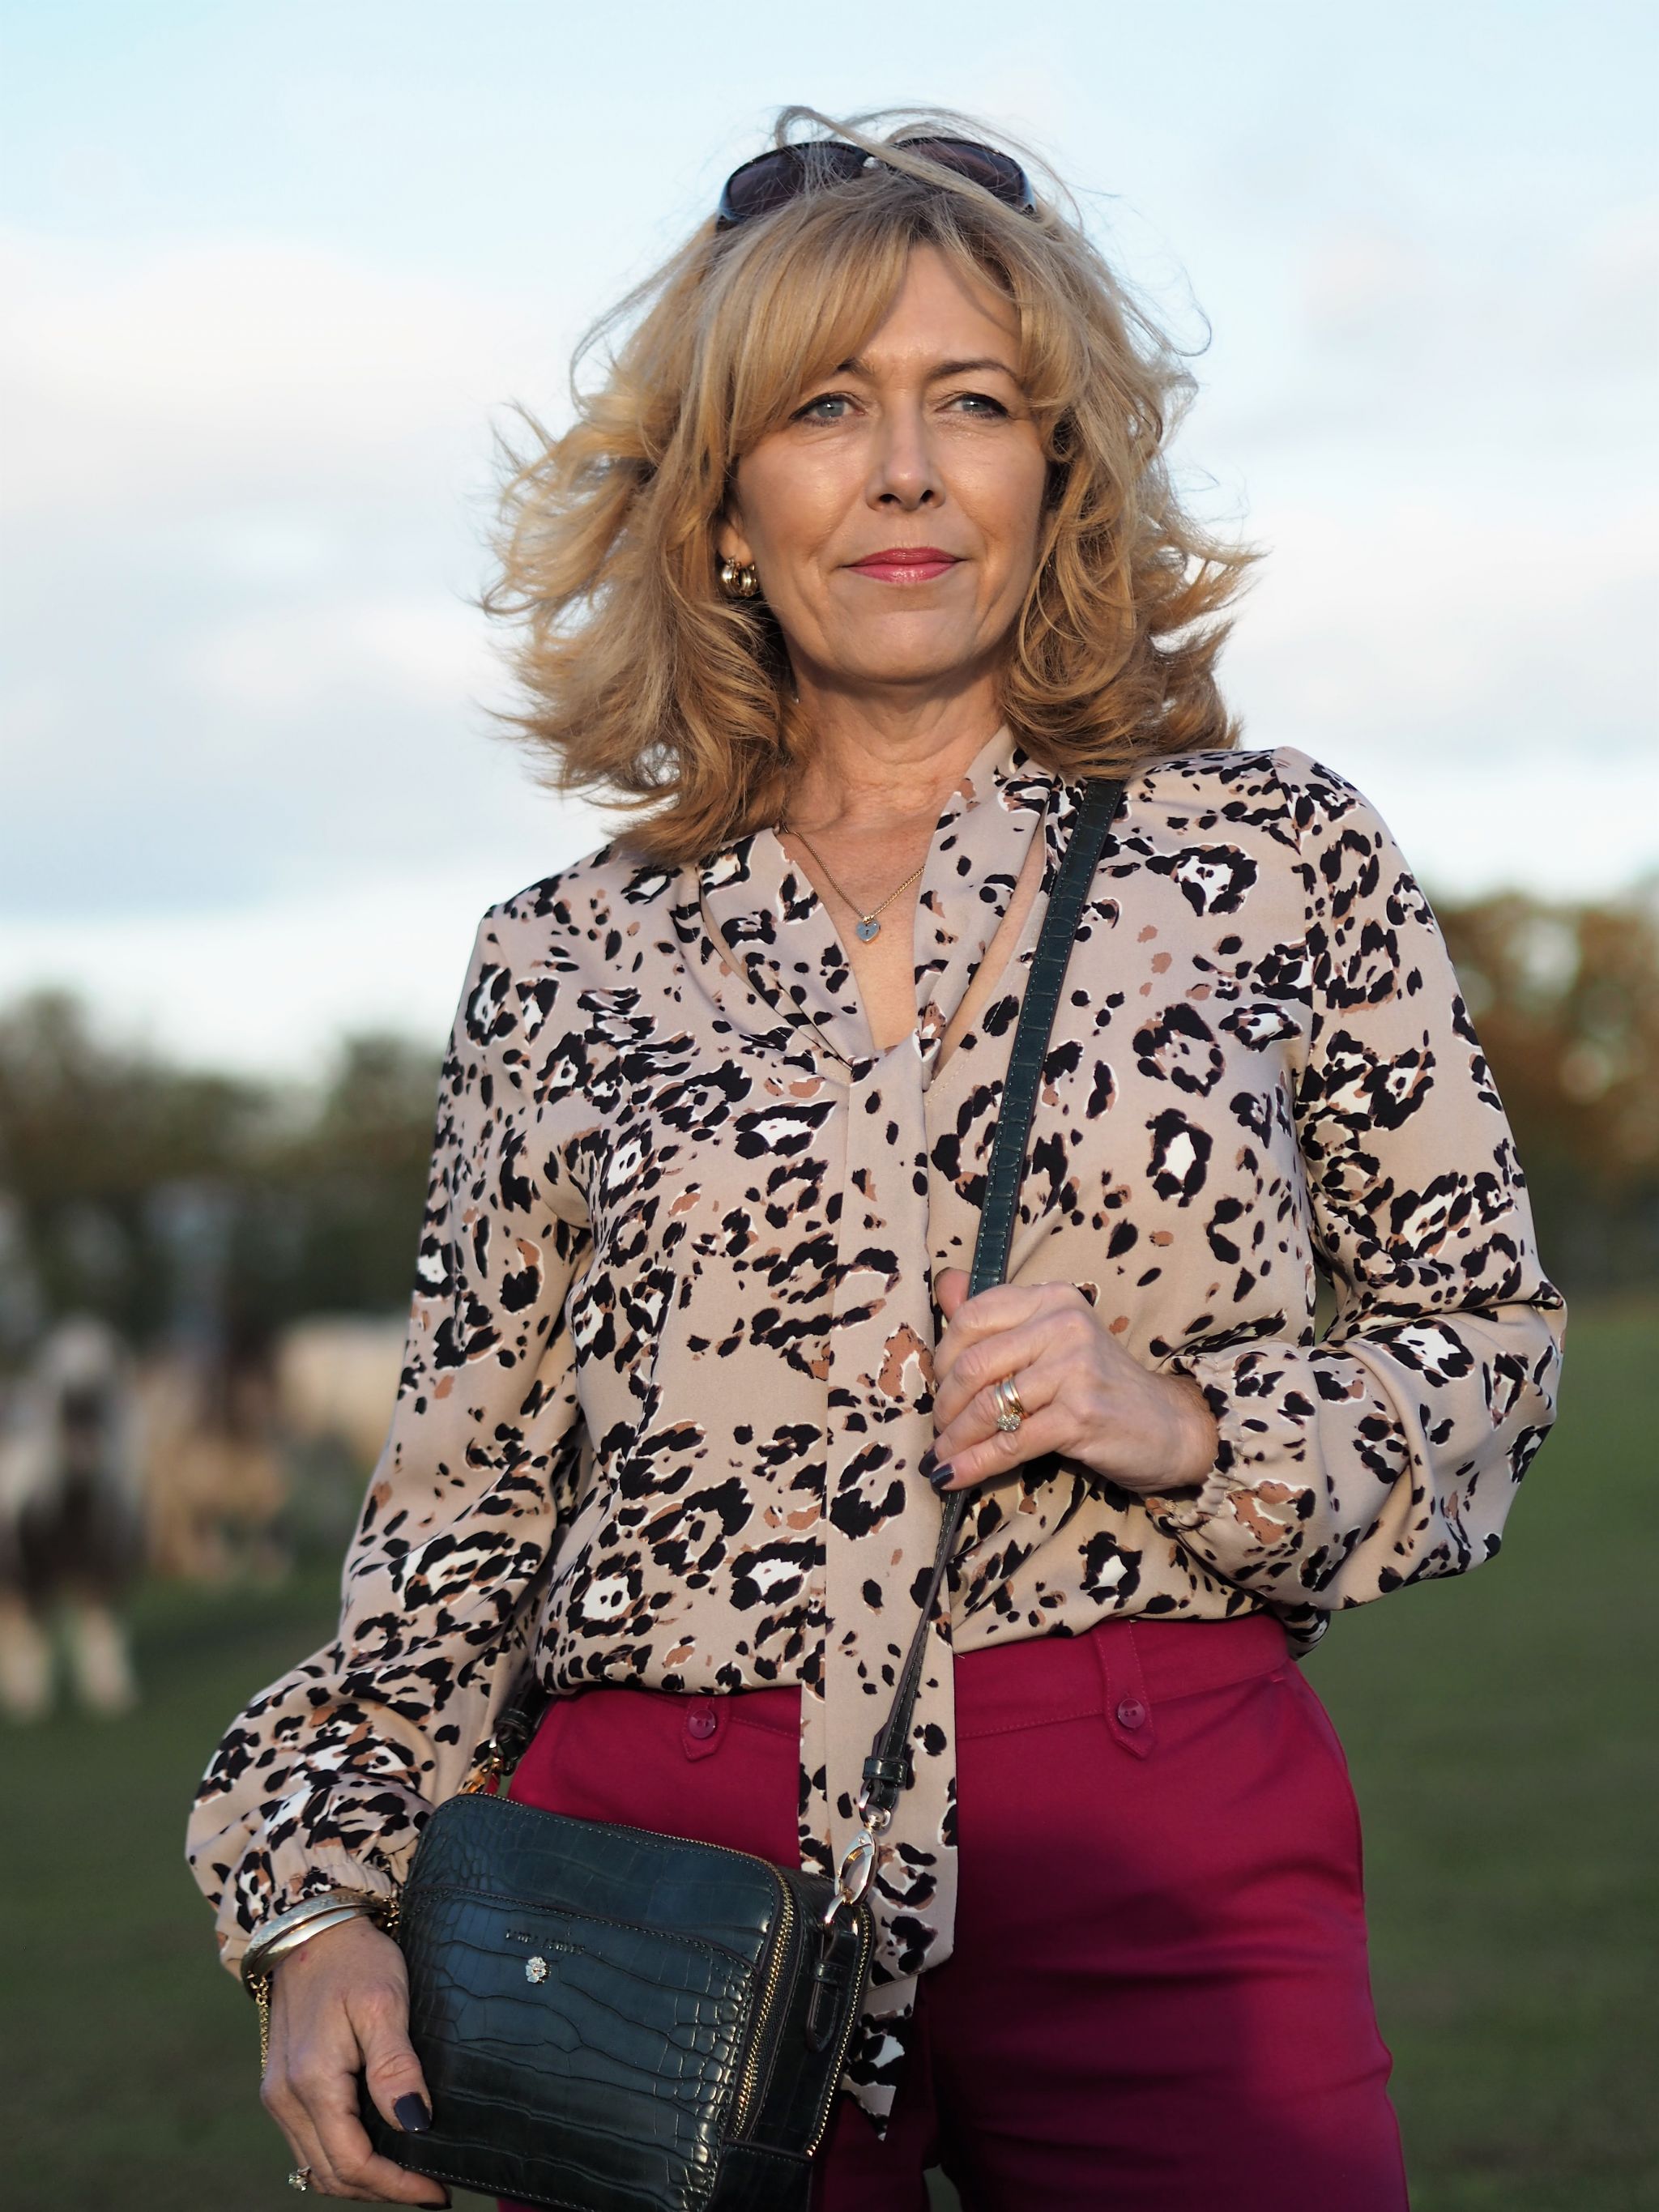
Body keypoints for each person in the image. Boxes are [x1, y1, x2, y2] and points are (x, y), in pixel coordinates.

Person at [187, 109, 1566, 2210]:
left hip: (1152, 1835)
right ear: (727, 505)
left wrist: (1194, 1418)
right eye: (828, 407)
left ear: (1057, 474)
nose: (905, 468)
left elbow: (1487, 1340)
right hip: (655, 1892)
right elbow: (459, 1512)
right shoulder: (564, 955)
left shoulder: (1279, 855)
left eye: (974, 405)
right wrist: (313, 1901)